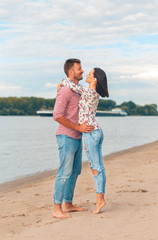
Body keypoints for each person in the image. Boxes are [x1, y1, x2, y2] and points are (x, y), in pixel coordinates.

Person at [60, 67, 109, 214]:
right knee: (98, 166)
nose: (86, 74)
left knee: (96, 167)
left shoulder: (88, 92)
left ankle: (100, 199)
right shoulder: (93, 93)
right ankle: (100, 198)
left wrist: (61, 83)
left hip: (90, 132)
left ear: (94, 79)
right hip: (95, 131)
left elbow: (70, 84)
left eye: (89, 73)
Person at [53, 58, 94, 219]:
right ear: (71, 71)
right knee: (64, 172)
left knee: (75, 172)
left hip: (77, 136)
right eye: (79, 68)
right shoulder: (65, 90)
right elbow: (57, 115)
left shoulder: (77, 90)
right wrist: (78, 128)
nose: (82, 71)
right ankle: (57, 208)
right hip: (66, 136)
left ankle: (68, 204)